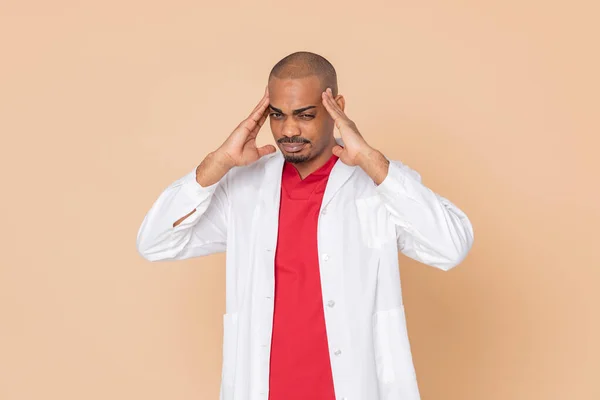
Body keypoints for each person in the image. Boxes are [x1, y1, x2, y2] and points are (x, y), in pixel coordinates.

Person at [136, 51, 474, 400]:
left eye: (305, 115)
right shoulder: (244, 189)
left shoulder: (377, 185)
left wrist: (372, 160)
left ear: (336, 107)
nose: (289, 130)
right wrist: (216, 163)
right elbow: (155, 242)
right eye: (277, 116)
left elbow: (451, 247)